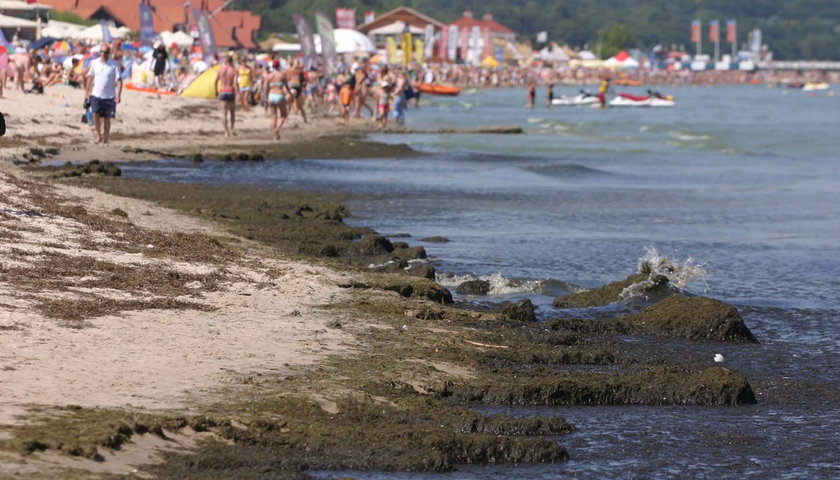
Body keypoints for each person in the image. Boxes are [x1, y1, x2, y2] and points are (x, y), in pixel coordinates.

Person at [84, 43, 122, 144]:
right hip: (96, 94)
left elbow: (119, 80)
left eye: (106, 52)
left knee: (107, 118)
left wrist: (118, 95)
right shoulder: (94, 63)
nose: (104, 54)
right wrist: (87, 92)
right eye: (102, 52)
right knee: (95, 114)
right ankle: (98, 135)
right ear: (99, 52)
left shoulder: (114, 64)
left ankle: (106, 138)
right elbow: (90, 77)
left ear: (109, 53)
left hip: (110, 96)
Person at [262, 60, 289, 140]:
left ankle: (275, 135)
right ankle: (277, 129)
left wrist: (266, 97)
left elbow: (265, 87)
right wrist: (289, 93)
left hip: (271, 95)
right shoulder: (282, 75)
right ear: (279, 66)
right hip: (280, 94)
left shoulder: (269, 76)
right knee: (283, 115)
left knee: (274, 116)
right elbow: (286, 87)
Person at [215, 55, 238, 137]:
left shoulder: (220, 70)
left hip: (223, 91)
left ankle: (226, 132)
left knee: (223, 113)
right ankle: (232, 129)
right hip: (230, 91)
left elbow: (215, 81)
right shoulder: (234, 70)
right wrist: (237, 93)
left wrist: (216, 91)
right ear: (231, 61)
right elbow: (235, 83)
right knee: (232, 112)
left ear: (225, 61)